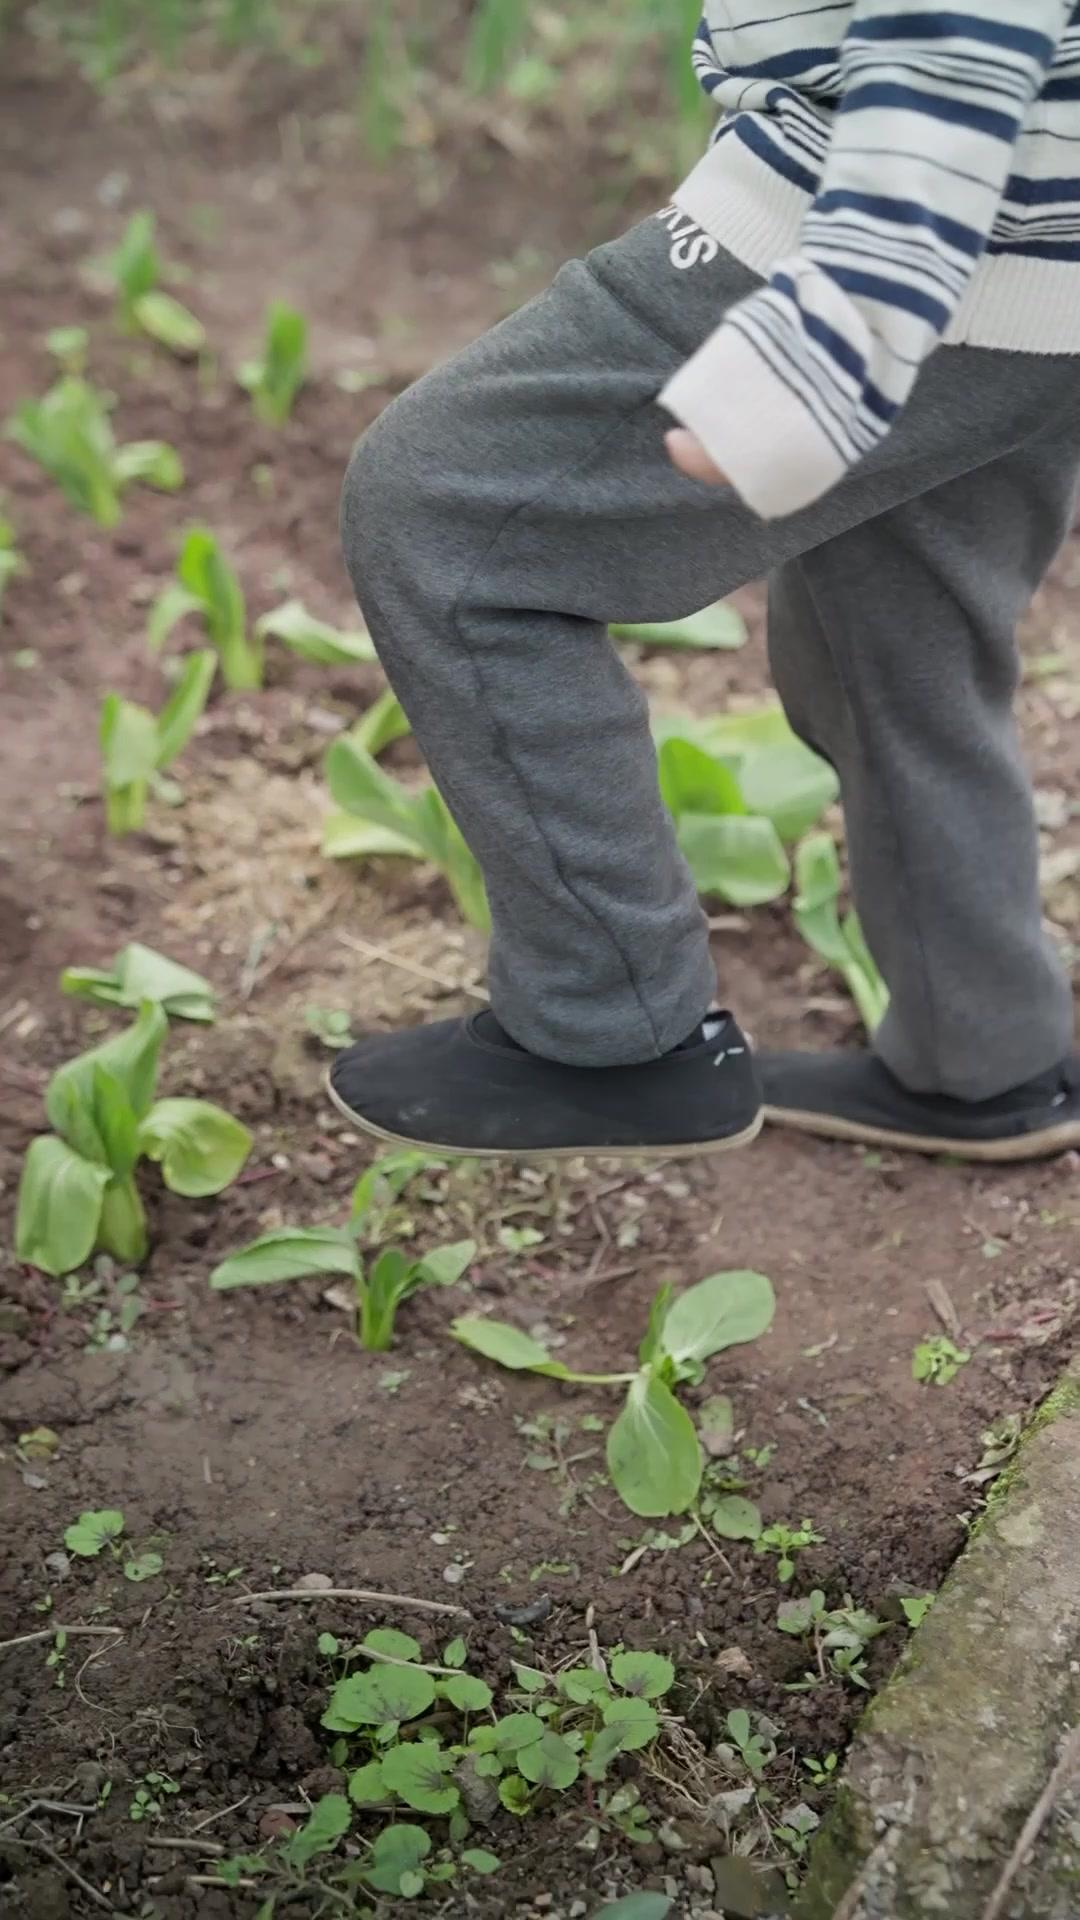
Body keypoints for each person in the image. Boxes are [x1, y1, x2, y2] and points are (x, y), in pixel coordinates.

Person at [330, 1, 1080, 1165]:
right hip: (1038, 251)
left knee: (445, 512)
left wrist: (846, 322)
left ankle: (610, 1035)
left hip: (896, 227)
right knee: (896, 630)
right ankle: (986, 1056)